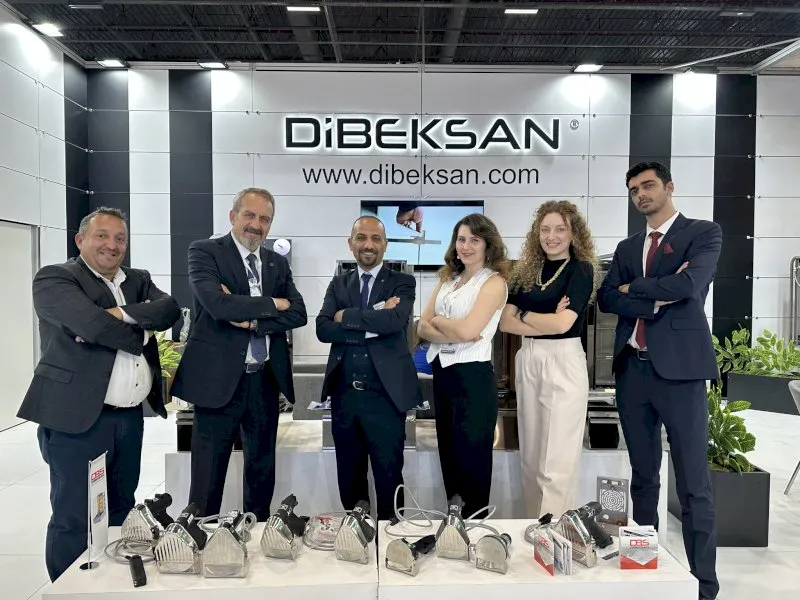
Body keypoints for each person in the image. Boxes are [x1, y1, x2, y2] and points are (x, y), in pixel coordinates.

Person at [18, 207, 180, 581]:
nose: (112, 245)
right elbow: (92, 326)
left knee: (121, 508)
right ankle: (67, 587)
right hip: (77, 418)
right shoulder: (56, 278)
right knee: (74, 515)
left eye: (120, 238)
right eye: (102, 236)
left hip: (128, 419)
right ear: (80, 240)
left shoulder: (137, 279)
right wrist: (142, 329)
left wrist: (116, 315)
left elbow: (169, 310)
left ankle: (112, 583)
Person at [596, 162, 720, 600]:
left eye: (648, 186)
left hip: (682, 373)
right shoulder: (627, 247)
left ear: (669, 186)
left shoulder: (702, 233)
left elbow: (688, 286)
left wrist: (634, 289)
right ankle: (643, 573)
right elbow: (606, 298)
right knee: (643, 478)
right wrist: (651, 297)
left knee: (693, 485)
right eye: (634, 189)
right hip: (633, 371)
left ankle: (704, 586)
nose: (641, 195)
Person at [171, 188, 307, 521]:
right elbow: (217, 305)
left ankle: (256, 531)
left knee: (261, 470)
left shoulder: (276, 262)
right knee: (207, 474)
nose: (256, 225)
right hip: (216, 382)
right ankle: (199, 533)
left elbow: (299, 313)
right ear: (233, 216)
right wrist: (274, 304)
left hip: (264, 382)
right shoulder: (205, 252)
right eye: (250, 215)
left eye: (265, 219)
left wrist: (251, 320)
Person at [316, 216, 422, 521]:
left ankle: (392, 537)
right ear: (350, 243)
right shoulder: (338, 283)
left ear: (385, 245)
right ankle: (356, 536)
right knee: (350, 480)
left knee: (390, 480)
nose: (368, 245)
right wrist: (371, 324)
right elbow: (323, 329)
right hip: (345, 398)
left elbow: (394, 322)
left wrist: (345, 316)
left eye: (376, 238)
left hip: (386, 400)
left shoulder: (402, 282)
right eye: (361, 238)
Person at [499, 200, 597, 519]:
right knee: (531, 458)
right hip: (529, 357)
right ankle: (533, 529)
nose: (551, 236)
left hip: (563, 359)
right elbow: (505, 323)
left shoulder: (580, 269)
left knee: (556, 462)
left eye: (559, 229)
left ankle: (553, 534)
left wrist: (526, 314)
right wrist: (544, 319)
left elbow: (563, 324)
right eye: (545, 229)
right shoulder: (525, 271)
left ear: (573, 233)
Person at [417, 213, 509, 517]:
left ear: (487, 244)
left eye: (474, 240)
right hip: (444, 376)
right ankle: (454, 529)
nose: (465, 246)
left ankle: (474, 527)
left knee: (472, 465)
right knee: (450, 461)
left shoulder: (493, 282)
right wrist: (453, 329)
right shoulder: (448, 279)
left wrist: (441, 322)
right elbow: (421, 327)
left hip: (473, 379)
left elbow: (469, 331)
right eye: (461, 239)